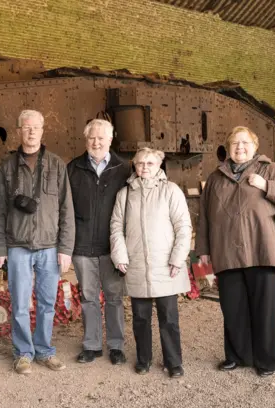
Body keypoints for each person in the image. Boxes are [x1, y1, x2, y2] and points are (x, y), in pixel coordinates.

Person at [195, 126, 275, 377]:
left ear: (255, 147)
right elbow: (205, 217)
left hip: (261, 250)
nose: (240, 147)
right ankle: (237, 356)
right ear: (228, 147)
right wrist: (203, 248)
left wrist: (267, 185)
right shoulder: (215, 177)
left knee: (263, 309)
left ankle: (266, 360)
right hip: (226, 252)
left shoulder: (270, 169)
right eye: (235, 143)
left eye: (245, 143)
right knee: (232, 308)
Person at [0, 109, 75, 375]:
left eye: (35, 128)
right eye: (25, 128)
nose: (30, 132)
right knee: (19, 303)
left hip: (49, 248)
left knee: (48, 303)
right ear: (19, 131)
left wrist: (65, 248)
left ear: (42, 131)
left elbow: (66, 210)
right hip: (17, 247)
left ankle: (45, 350)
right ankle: (23, 353)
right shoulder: (7, 167)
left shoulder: (56, 165)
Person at [110, 147, 192, 377]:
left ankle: (173, 361)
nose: (144, 167)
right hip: (136, 264)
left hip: (165, 265)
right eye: (140, 163)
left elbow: (183, 227)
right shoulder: (124, 194)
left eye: (150, 163)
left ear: (159, 166)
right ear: (134, 166)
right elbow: (116, 228)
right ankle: (143, 359)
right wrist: (120, 256)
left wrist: (178, 257)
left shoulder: (171, 191)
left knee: (169, 317)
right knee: (140, 317)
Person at [67, 119, 132, 365]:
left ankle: (116, 345)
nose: (96, 142)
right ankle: (92, 345)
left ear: (110, 140)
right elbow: (65, 210)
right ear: (86, 140)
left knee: (114, 298)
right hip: (82, 246)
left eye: (101, 138)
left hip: (112, 248)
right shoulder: (72, 168)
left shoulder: (123, 169)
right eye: (92, 138)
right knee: (88, 297)